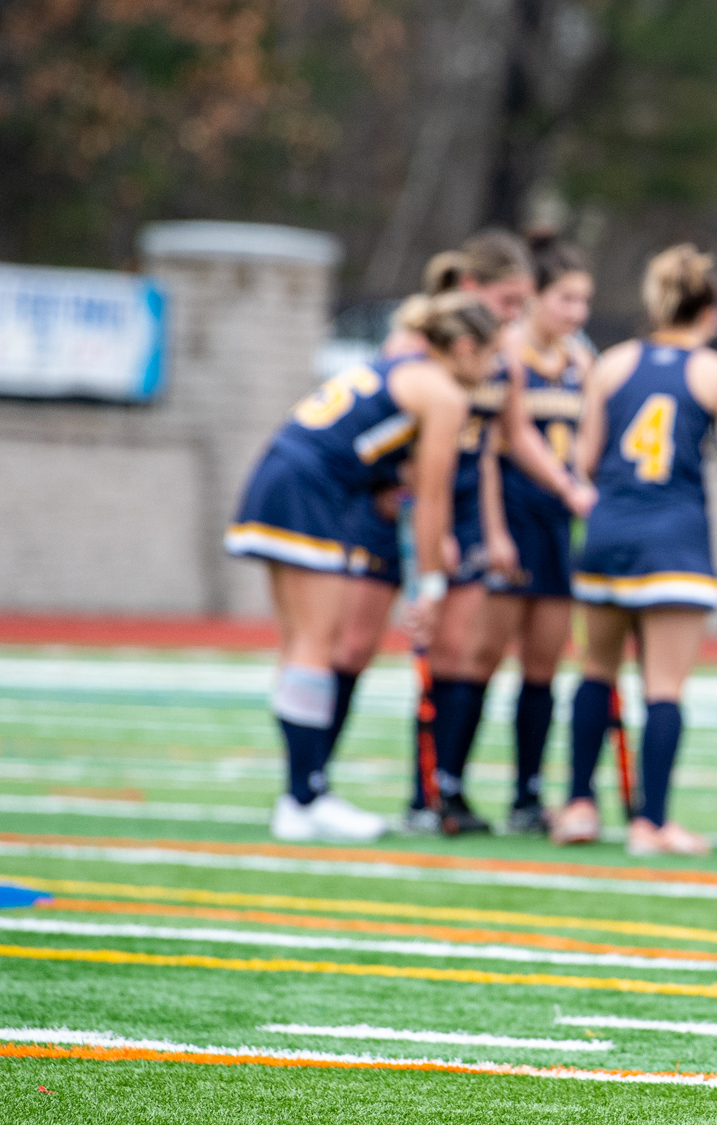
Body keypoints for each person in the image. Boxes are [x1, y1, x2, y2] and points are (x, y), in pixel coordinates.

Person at [224, 293, 500, 843]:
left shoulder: (405, 364)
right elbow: (432, 496)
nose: (494, 370)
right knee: (315, 644)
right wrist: (433, 586)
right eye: (490, 355)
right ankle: (304, 799)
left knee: (303, 642)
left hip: (286, 473)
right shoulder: (444, 392)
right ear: (465, 348)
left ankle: (304, 792)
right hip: (309, 489)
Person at [552, 245, 717, 856]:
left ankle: (579, 805)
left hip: (606, 534)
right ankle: (650, 823)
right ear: (709, 308)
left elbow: (583, 463)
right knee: (664, 687)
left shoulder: (612, 364)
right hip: (673, 542)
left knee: (595, 671)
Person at [391, 232, 593, 835]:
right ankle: (427, 789)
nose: (518, 315)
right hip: (440, 510)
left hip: (500, 516)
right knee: (457, 652)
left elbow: (495, 444)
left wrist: (569, 487)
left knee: (504, 655)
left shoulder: (546, 358)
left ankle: (476, 793)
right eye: (513, 301)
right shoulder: (425, 348)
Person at [459, 232, 594, 835]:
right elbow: (502, 444)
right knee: (482, 656)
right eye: (566, 299)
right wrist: (495, 530)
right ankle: (448, 785)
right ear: (536, 297)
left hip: (556, 527)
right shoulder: (507, 353)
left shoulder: (579, 359)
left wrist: (582, 485)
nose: (576, 314)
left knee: (545, 661)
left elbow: (588, 437)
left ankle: (527, 793)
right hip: (510, 517)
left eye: (583, 302)